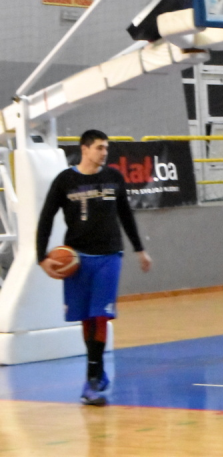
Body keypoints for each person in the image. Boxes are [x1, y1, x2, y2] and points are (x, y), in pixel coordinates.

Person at [37, 129, 152, 406]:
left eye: (106, 148)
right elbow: (46, 218)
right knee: (87, 319)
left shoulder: (114, 177)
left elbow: (125, 214)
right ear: (84, 149)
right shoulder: (65, 180)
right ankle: (98, 372)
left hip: (109, 256)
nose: (104, 152)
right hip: (77, 259)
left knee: (100, 316)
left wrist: (139, 248)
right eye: (100, 147)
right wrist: (41, 257)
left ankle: (90, 382)